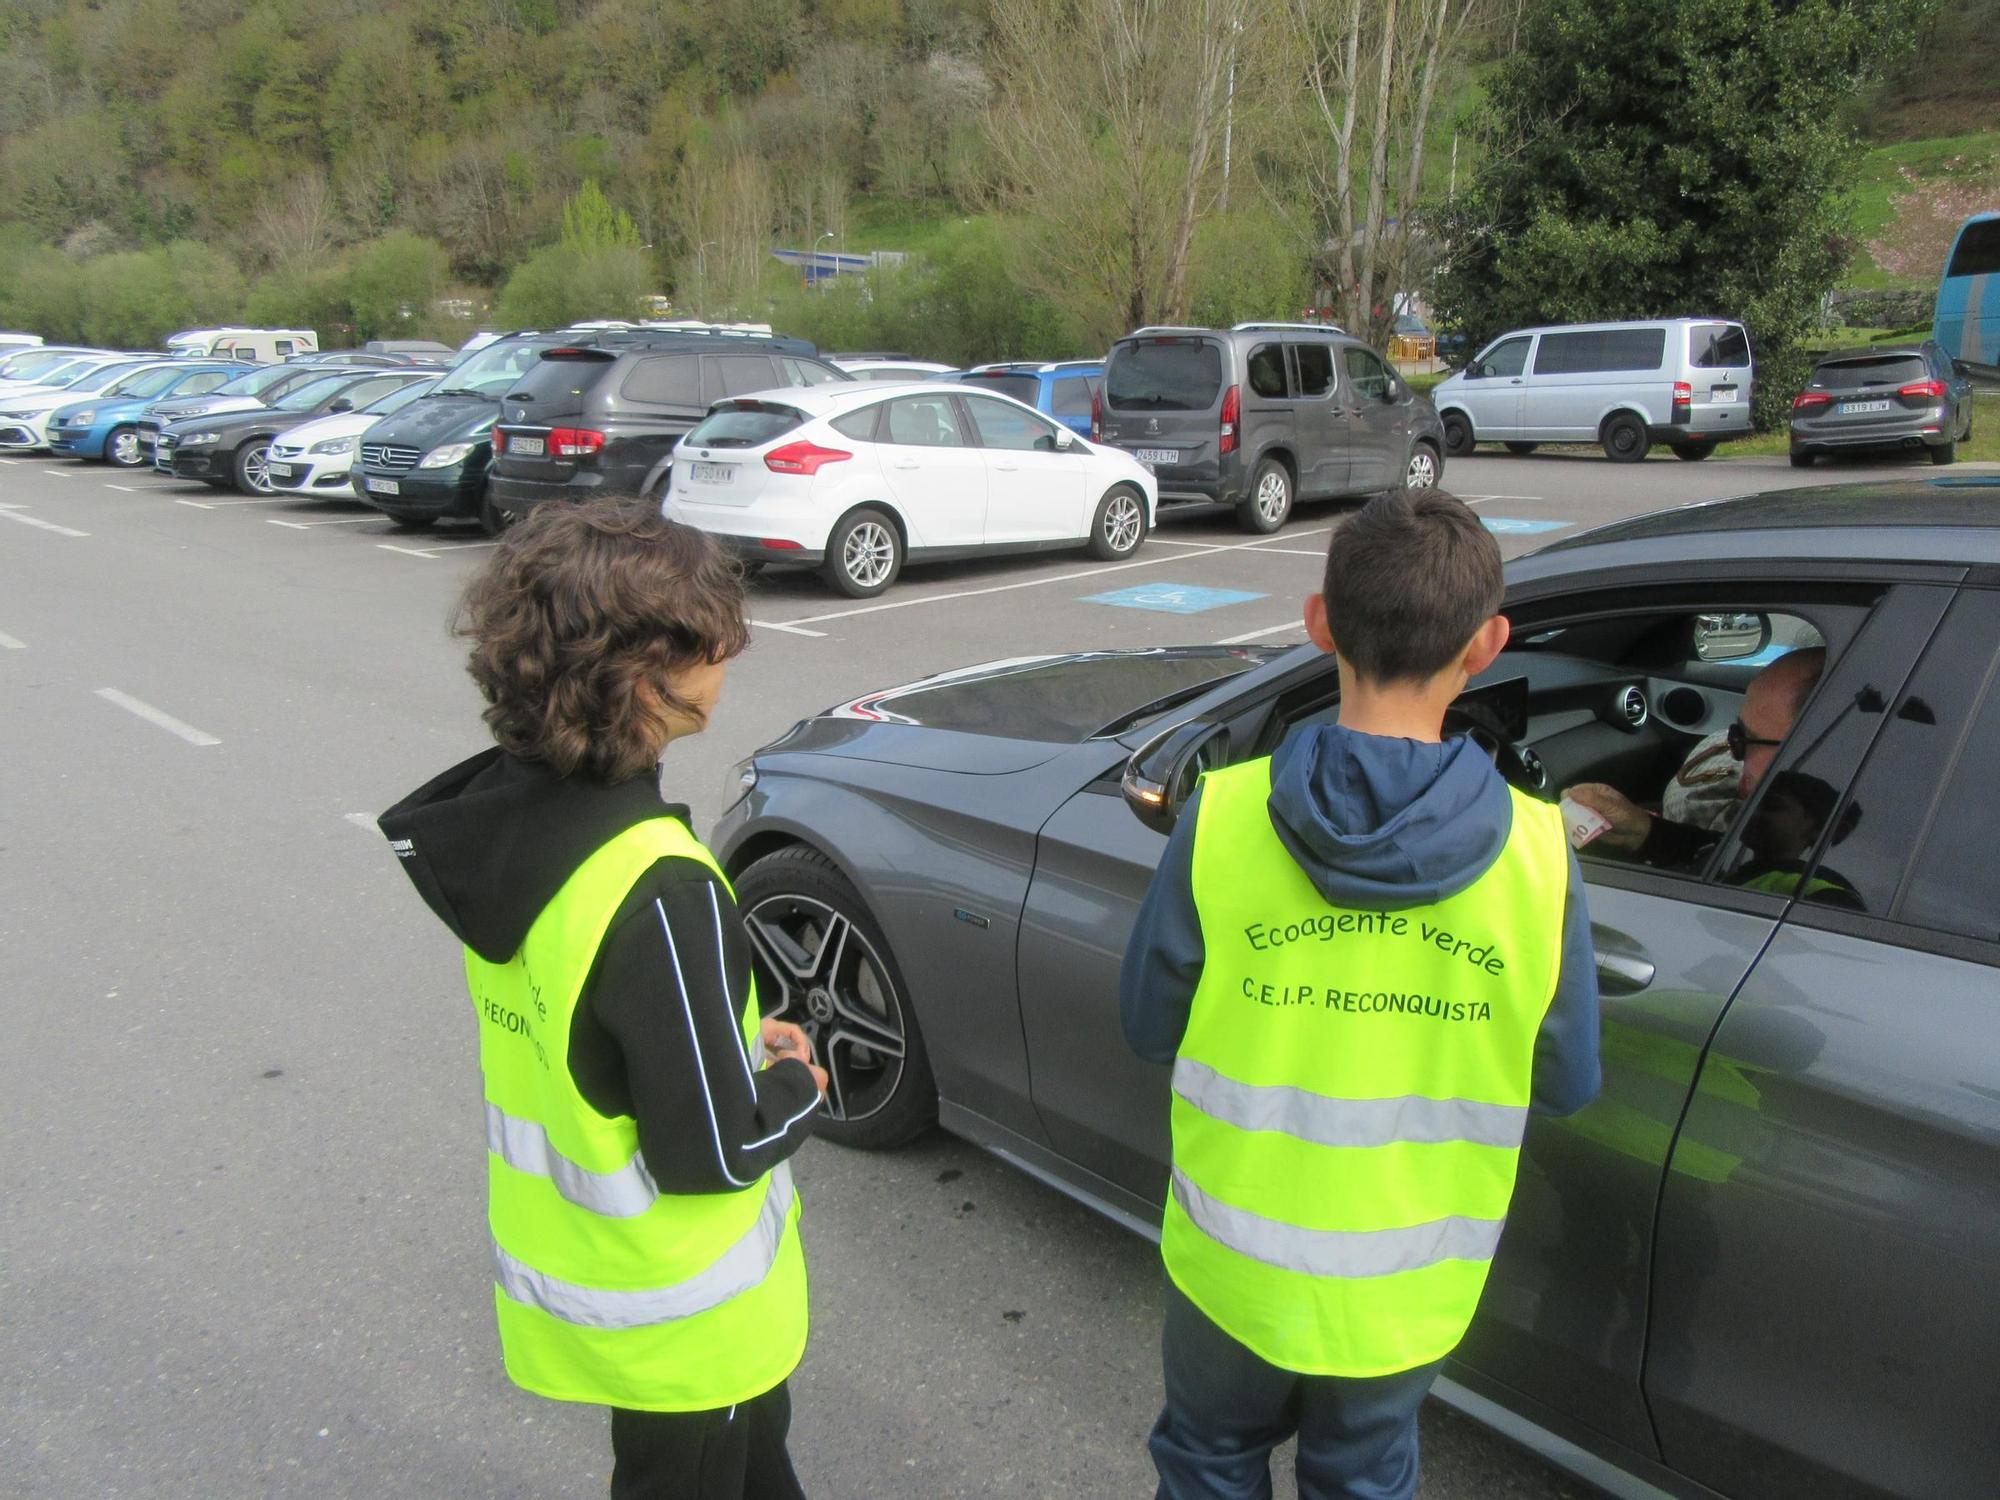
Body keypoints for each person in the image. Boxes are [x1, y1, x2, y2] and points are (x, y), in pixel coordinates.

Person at [1120, 488, 1601, 1500]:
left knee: (1205, 1464)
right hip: (1407, 1288)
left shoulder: (1223, 819)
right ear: (1488, 645)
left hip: (1230, 1270)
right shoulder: (1537, 854)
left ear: (1317, 623)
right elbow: (1563, 1082)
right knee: (1362, 1480)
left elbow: (1145, 1022)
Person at [379, 501, 827, 1500]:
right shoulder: (659, 889)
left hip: (606, 1284)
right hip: (688, 1322)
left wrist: (736, 1039)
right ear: (643, 679)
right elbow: (713, 1153)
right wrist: (795, 1080)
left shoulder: (514, 830)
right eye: (715, 645)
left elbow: (600, 1037)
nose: (728, 664)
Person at [1567, 647, 1825, 870]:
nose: (1734, 756)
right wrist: (1644, 832)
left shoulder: (1830, 896)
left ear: (1822, 751)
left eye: (1744, 740)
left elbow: (1746, 883)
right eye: (1734, 735)